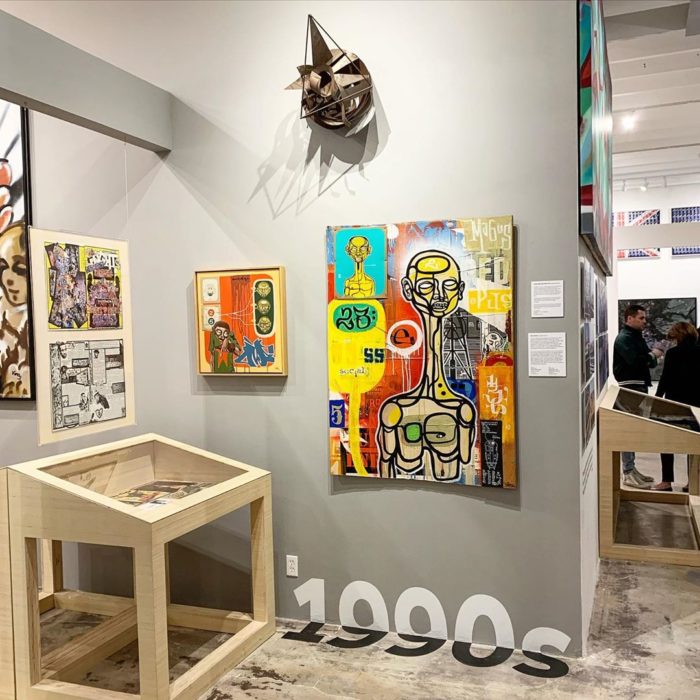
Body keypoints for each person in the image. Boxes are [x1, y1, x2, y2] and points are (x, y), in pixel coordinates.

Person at [613, 303, 664, 489]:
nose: (644, 321)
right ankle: (628, 472)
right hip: (630, 387)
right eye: (641, 318)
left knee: (633, 430)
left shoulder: (634, 337)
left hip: (637, 386)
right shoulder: (624, 338)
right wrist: (653, 355)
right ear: (630, 318)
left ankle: (631, 468)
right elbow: (637, 361)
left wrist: (651, 357)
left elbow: (647, 362)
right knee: (629, 430)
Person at [653, 322, 700, 491]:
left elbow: (665, 379)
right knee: (695, 443)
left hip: (673, 403)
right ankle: (693, 482)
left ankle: (666, 481)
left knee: (667, 441)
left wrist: (657, 399)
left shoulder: (673, 353)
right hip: (696, 404)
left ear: (678, 336)